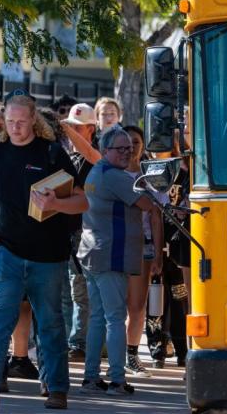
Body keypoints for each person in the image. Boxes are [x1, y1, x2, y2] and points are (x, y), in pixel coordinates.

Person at [0, 94, 87, 412]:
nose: (16, 127)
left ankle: (57, 387)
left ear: (33, 120)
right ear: (3, 121)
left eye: (21, 121)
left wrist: (57, 204)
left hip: (49, 254)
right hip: (5, 252)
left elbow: (82, 201)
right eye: (10, 121)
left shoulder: (53, 153)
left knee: (50, 322)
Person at [78, 126, 158, 396]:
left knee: (99, 317)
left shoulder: (97, 170)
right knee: (115, 318)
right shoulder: (115, 176)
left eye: (130, 147)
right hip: (110, 254)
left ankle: (91, 377)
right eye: (120, 148)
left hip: (93, 252)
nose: (128, 152)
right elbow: (149, 204)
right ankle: (116, 380)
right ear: (105, 150)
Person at [58, 103, 99, 360]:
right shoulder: (67, 156)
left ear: (91, 129)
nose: (72, 131)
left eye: (78, 127)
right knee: (66, 290)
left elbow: (90, 153)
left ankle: (80, 343)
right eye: (70, 127)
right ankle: (66, 340)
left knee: (81, 291)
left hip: (84, 232)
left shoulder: (97, 158)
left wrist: (65, 128)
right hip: (64, 230)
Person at [123, 125, 162, 378]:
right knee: (114, 307)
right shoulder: (108, 173)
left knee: (137, 307)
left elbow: (157, 215)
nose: (130, 148)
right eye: (125, 143)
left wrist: (158, 252)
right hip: (113, 246)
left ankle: (131, 355)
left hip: (142, 246)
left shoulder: (150, 176)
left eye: (136, 142)